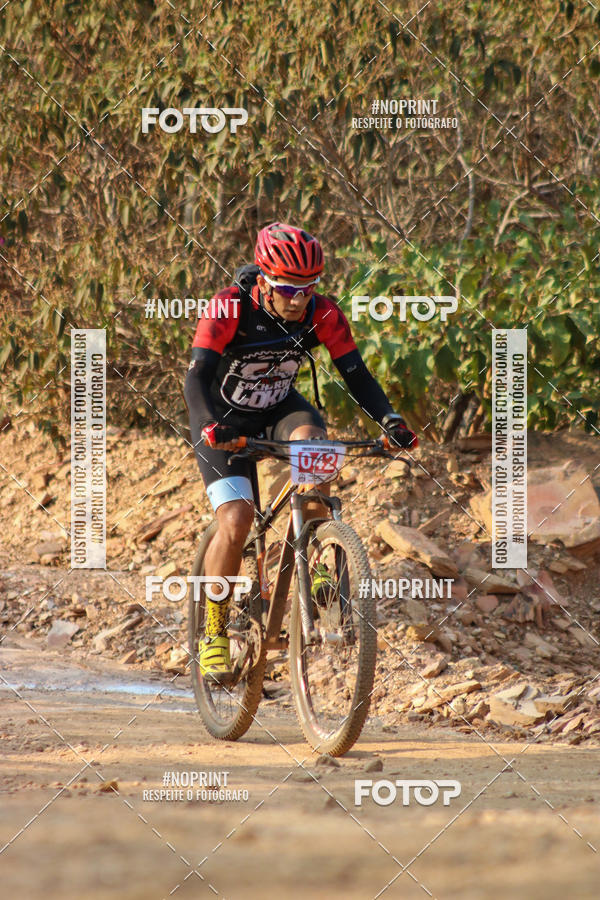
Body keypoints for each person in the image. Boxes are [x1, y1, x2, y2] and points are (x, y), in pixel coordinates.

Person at [184, 222, 417, 682]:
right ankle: (213, 630)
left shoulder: (322, 313)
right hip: (222, 417)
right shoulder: (229, 307)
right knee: (236, 520)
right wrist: (212, 425)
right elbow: (195, 378)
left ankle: (315, 564)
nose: (298, 300)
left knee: (316, 447)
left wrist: (389, 420)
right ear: (266, 282)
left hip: (279, 408)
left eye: (308, 289)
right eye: (288, 289)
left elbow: (356, 374)